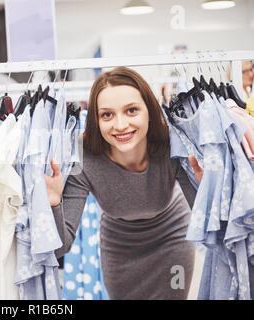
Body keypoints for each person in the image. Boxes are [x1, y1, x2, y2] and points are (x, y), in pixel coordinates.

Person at [45, 66, 204, 300]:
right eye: (107, 115)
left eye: (131, 110)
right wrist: (53, 202)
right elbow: (60, 248)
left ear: (149, 110)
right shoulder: (82, 153)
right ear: (96, 119)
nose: (120, 125)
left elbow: (210, 230)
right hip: (119, 252)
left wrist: (204, 188)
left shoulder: (172, 143)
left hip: (173, 242)